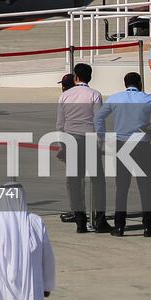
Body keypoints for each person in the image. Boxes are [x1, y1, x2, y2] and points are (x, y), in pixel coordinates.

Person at [95, 71, 151, 237]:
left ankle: (119, 226)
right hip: (141, 144)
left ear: (125, 84)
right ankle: (148, 226)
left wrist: (103, 137)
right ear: (139, 84)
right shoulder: (148, 98)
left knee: (122, 188)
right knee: (145, 188)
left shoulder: (115, 98)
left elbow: (98, 118)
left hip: (121, 144)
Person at [0, 182, 56, 300]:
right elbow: (47, 258)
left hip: (3, 293)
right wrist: (47, 285)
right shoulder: (36, 222)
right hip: (32, 290)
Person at [55, 62, 109, 234]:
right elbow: (99, 122)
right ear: (90, 77)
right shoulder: (95, 95)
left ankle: (80, 221)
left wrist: (62, 145)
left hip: (71, 138)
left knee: (75, 181)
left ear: (76, 77)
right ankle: (100, 219)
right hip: (90, 139)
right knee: (97, 181)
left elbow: (60, 124)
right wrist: (101, 143)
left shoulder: (65, 95)